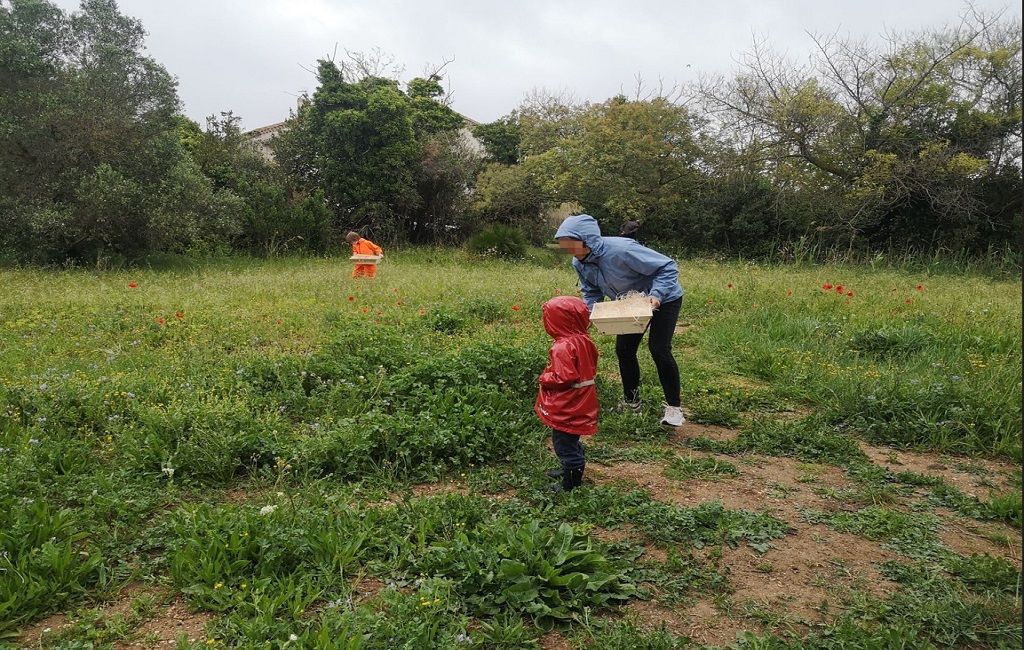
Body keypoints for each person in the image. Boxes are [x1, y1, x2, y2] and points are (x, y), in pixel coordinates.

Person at [554, 214, 685, 427]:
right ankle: (632, 403)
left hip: (664, 298)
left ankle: (674, 408)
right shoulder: (579, 262)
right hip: (630, 305)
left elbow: (667, 266)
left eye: (571, 245)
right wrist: (590, 312)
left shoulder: (622, 250)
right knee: (624, 350)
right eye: (563, 245)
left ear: (587, 240)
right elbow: (591, 290)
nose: (568, 250)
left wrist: (657, 294)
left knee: (659, 348)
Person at [535, 295, 599, 492]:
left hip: (568, 404)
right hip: (582, 399)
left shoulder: (562, 346)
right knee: (571, 438)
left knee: (564, 443)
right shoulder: (584, 340)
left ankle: (570, 483)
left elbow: (564, 377)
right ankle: (570, 469)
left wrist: (544, 378)